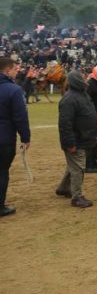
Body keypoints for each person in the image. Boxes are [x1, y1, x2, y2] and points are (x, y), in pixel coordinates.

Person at [56, 70, 97, 208]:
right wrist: (69, 143)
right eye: (83, 78)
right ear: (77, 81)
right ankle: (77, 197)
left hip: (85, 138)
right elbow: (65, 124)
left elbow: (89, 117)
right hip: (76, 140)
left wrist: (93, 136)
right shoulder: (69, 100)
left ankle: (63, 188)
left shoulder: (83, 95)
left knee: (74, 166)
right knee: (78, 168)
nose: (86, 80)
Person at [0, 57, 31, 217]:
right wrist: (25, 137)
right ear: (7, 70)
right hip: (4, 139)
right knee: (2, 171)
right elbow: (20, 117)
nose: (16, 71)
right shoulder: (14, 90)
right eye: (14, 69)